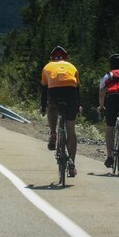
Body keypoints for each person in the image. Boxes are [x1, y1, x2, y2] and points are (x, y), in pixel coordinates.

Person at [40, 46, 81, 177]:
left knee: (51, 106)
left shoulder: (47, 67)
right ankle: (72, 164)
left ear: (51, 58)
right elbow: (77, 89)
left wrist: (43, 107)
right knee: (71, 130)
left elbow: (44, 90)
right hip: (71, 92)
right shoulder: (72, 66)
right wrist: (78, 106)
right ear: (65, 58)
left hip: (54, 92)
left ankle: (53, 133)